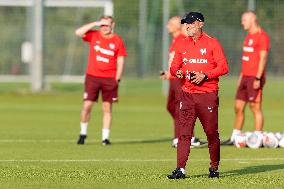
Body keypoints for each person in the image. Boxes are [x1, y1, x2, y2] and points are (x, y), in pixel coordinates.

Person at [167, 12, 228, 179]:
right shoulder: (181, 43)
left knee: (210, 132)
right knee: (184, 133)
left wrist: (205, 75)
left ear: (200, 24)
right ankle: (180, 169)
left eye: (191, 23)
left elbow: (223, 67)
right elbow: (173, 68)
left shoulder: (212, 43)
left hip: (207, 94)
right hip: (187, 94)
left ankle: (214, 167)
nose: (187, 26)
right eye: (186, 23)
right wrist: (177, 72)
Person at [75, 16, 127, 145]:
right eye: (102, 25)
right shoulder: (94, 35)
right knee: (87, 106)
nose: (104, 27)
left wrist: (118, 78)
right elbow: (78, 32)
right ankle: (83, 134)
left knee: (107, 108)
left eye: (107, 25)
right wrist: (95, 23)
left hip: (109, 78)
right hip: (92, 77)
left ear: (112, 25)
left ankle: (105, 138)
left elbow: (120, 59)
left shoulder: (117, 40)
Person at [223, 11, 270, 145]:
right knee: (238, 107)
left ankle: (258, 137)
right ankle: (235, 136)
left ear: (252, 19)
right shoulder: (248, 36)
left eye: (244, 20)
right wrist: (241, 76)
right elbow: (246, 60)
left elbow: (263, 59)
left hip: (255, 77)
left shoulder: (262, 36)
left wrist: (257, 78)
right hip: (244, 77)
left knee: (255, 107)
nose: (242, 22)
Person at [160, 16, 202, 148]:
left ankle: (181, 138)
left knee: (180, 108)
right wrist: (168, 72)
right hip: (173, 78)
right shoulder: (175, 39)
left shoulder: (182, 38)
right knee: (171, 107)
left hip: (179, 79)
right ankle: (188, 135)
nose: (168, 25)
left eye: (171, 23)